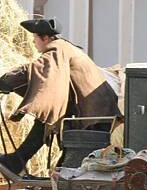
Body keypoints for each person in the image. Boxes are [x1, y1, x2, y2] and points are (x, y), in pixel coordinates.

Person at [0, 18, 121, 175]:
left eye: (35, 38)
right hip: (97, 115)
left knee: (46, 120)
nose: (33, 42)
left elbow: (36, 69)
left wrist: (4, 81)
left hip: (92, 118)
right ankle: (17, 161)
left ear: (45, 38)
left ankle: (16, 161)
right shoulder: (68, 48)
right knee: (47, 121)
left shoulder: (57, 50)